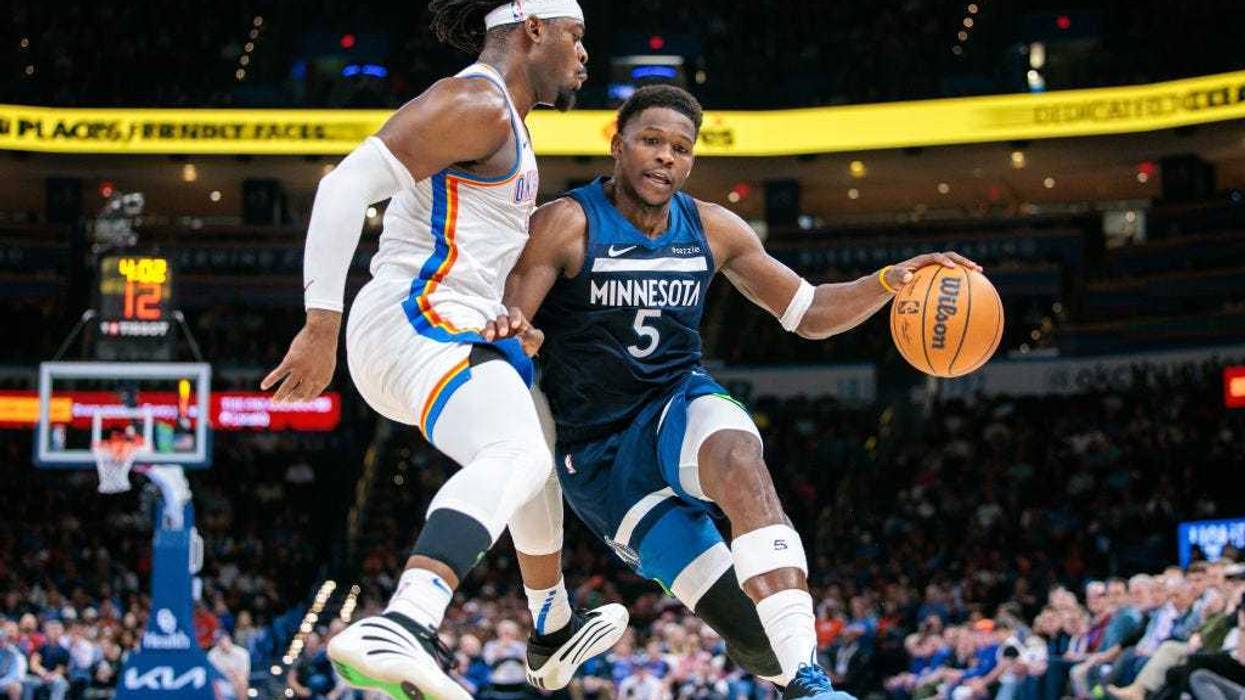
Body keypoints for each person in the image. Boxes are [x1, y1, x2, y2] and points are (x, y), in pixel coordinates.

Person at [496, 83, 980, 700]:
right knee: (746, 631)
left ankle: (811, 677)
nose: (666, 157)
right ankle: (785, 671)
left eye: (680, 147)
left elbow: (808, 312)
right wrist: (522, 338)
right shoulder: (566, 223)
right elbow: (511, 325)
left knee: (739, 457)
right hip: (598, 454)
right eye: (651, 141)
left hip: (676, 402)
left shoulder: (714, 227)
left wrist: (889, 280)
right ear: (617, 145)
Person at [261, 1, 626, 698]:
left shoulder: (506, 121)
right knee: (513, 452)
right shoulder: (474, 102)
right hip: (409, 316)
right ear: (533, 30)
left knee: (532, 441)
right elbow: (342, 188)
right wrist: (319, 326)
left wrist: (505, 316)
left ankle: (551, 623)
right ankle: (404, 621)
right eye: (577, 36)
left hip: (446, 320)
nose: (584, 55)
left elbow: (466, 243)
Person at [208, 630, 251, 699]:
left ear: (229, 639)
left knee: (242, 681)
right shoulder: (212, 655)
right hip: (222, 683)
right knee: (214, 685)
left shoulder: (242, 653)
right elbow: (212, 675)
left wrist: (234, 675)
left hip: (236, 682)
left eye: (223, 639)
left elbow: (245, 675)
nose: (221, 642)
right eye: (218, 641)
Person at [0, 625, 26, 700]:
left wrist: (1, 683)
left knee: (16, 687)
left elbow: (14, 675)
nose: (1, 642)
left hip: (5, 683)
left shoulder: (14, 653)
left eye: (2, 639)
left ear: (6, 640)